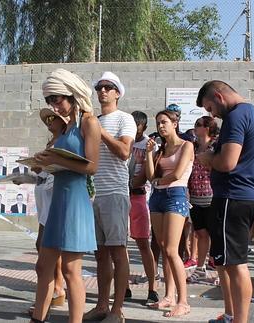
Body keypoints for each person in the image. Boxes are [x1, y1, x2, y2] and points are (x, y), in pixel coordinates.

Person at [31, 68, 101, 323]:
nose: (54, 106)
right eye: (50, 101)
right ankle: (37, 318)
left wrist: (56, 158)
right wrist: (42, 163)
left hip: (75, 200)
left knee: (72, 270)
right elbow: (61, 162)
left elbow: (92, 166)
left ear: (72, 95)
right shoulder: (65, 128)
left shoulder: (89, 122)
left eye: (57, 99)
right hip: (59, 198)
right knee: (43, 267)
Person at [195, 80, 254, 323]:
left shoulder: (237, 116)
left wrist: (208, 158)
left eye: (210, 107)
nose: (211, 114)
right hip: (241, 197)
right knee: (224, 262)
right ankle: (230, 315)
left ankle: (239, 320)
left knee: (236, 265)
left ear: (219, 96)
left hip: (233, 196)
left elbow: (228, 162)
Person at [84, 71, 136, 323]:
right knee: (100, 254)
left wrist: (99, 130)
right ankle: (102, 305)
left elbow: (124, 151)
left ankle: (118, 310)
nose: (102, 91)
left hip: (115, 193)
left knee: (118, 251)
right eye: (99, 87)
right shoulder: (92, 120)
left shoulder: (124, 119)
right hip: (94, 194)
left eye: (108, 87)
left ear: (117, 93)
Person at [145, 109, 194, 317]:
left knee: (173, 250)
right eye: (158, 123)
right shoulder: (161, 150)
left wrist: (158, 181)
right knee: (164, 247)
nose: (160, 126)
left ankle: (183, 301)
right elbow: (150, 176)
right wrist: (148, 153)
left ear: (175, 123)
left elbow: (177, 173)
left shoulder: (187, 145)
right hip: (157, 197)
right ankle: (169, 296)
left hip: (177, 195)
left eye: (164, 122)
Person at [25, 107, 70, 317]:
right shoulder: (51, 142)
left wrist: (43, 164)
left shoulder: (64, 142)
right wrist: (33, 168)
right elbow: (42, 171)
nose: (50, 122)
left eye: (54, 118)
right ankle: (55, 290)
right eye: (48, 119)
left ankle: (55, 289)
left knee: (47, 249)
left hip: (54, 196)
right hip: (44, 194)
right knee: (44, 246)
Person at [127, 110, 159, 305]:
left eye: (137, 128)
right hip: (122, 195)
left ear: (144, 127)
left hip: (140, 198)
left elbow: (147, 175)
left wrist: (132, 183)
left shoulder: (149, 145)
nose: (133, 130)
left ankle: (152, 289)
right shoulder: (125, 140)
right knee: (120, 246)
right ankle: (124, 288)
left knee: (143, 245)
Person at [186, 116, 217, 283]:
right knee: (200, 233)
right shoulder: (193, 147)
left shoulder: (216, 146)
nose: (195, 128)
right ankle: (200, 268)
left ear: (207, 128)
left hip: (212, 196)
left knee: (215, 235)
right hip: (195, 197)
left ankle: (219, 271)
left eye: (198, 125)